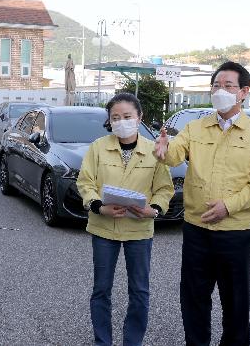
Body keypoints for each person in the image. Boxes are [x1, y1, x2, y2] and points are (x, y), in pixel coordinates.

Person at [154, 61, 250, 345]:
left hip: (235, 231)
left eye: (228, 86)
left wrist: (229, 206)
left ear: (244, 92)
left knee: (235, 302)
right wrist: (162, 150)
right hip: (196, 229)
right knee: (194, 299)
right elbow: (175, 155)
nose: (220, 91)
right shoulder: (195, 128)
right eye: (216, 86)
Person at [77, 93, 174, 346]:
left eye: (127, 117)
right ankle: (103, 342)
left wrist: (153, 209)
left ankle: (133, 342)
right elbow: (85, 182)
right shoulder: (98, 147)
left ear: (140, 118)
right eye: (115, 118)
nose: (121, 122)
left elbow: (165, 189)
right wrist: (99, 206)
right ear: (109, 121)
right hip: (103, 228)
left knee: (139, 291)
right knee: (101, 290)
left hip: (139, 229)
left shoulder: (154, 151)